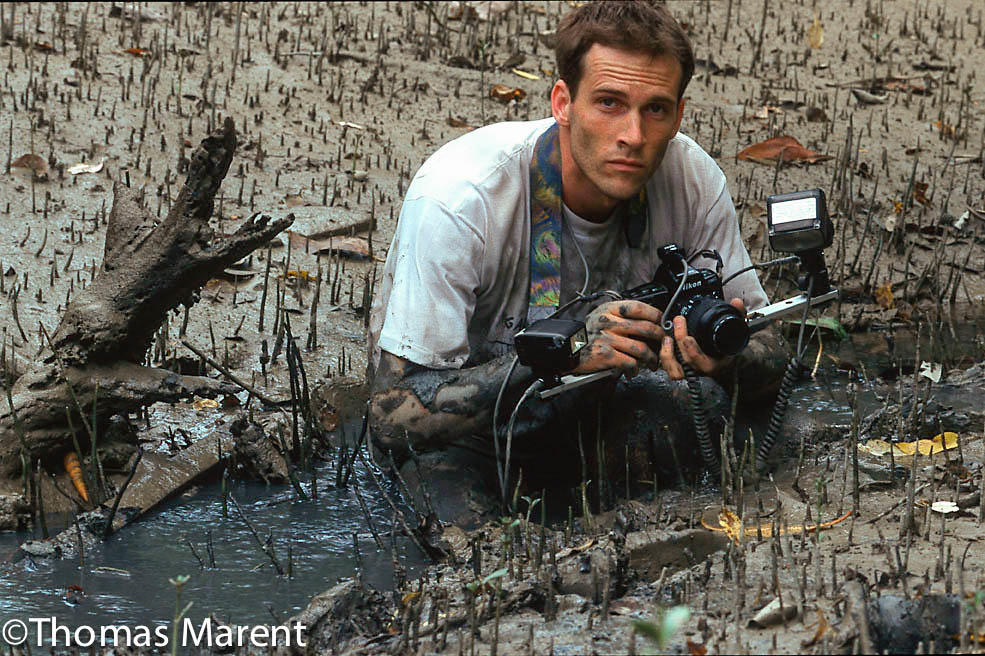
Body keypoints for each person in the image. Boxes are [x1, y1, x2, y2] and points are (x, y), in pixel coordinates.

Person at [366, 1, 789, 526]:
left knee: (742, 445)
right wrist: (559, 354)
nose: (633, 135)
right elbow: (391, 419)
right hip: (475, 442)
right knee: (465, 549)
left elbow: (774, 352)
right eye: (609, 103)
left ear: (678, 115)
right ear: (563, 102)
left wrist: (725, 354)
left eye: (655, 109)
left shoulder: (692, 179)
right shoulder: (463, 197)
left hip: (611, 411)